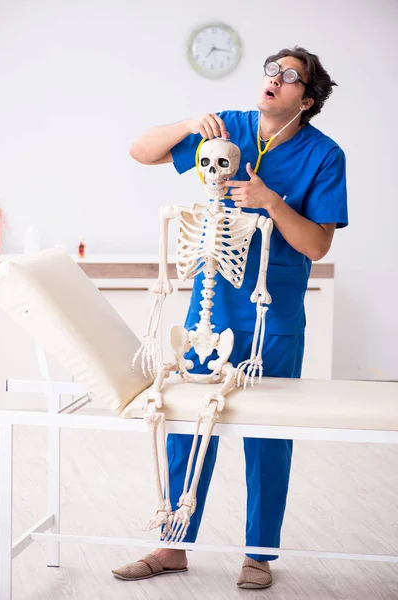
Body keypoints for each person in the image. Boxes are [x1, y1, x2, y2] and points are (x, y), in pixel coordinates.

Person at [113, 46, 348, 590]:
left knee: (268, 437)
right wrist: (191, 124)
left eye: (290, 77)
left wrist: (270, 200)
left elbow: (316, 246)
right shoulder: (227, 128)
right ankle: (173, 544)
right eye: (272, 70)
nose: (275, 78)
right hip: (208, 310)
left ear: (305, 100)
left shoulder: (323, 156)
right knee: (188, 429)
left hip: (274, 319)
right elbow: (140, 150)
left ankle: (259, 555)